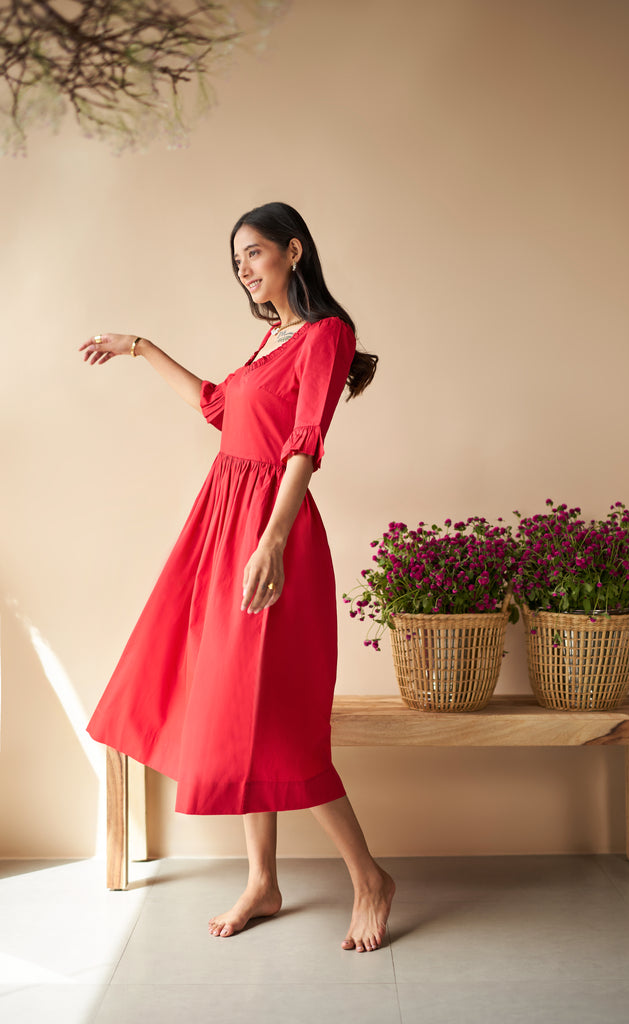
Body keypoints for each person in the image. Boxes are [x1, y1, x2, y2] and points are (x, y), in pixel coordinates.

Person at [80, 201, 395, 952]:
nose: (245, 269)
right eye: (236, 261)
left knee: (277, 716)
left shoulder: (325, 336)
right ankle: (262, 880)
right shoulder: (270, 340)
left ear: (293, 251)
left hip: (266, 530)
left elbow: (304, 445)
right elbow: (219, 409)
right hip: (220, 523)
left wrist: (273, 540)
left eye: (254, 253)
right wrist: (141, 347)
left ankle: (369, 878)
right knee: (229, 701)